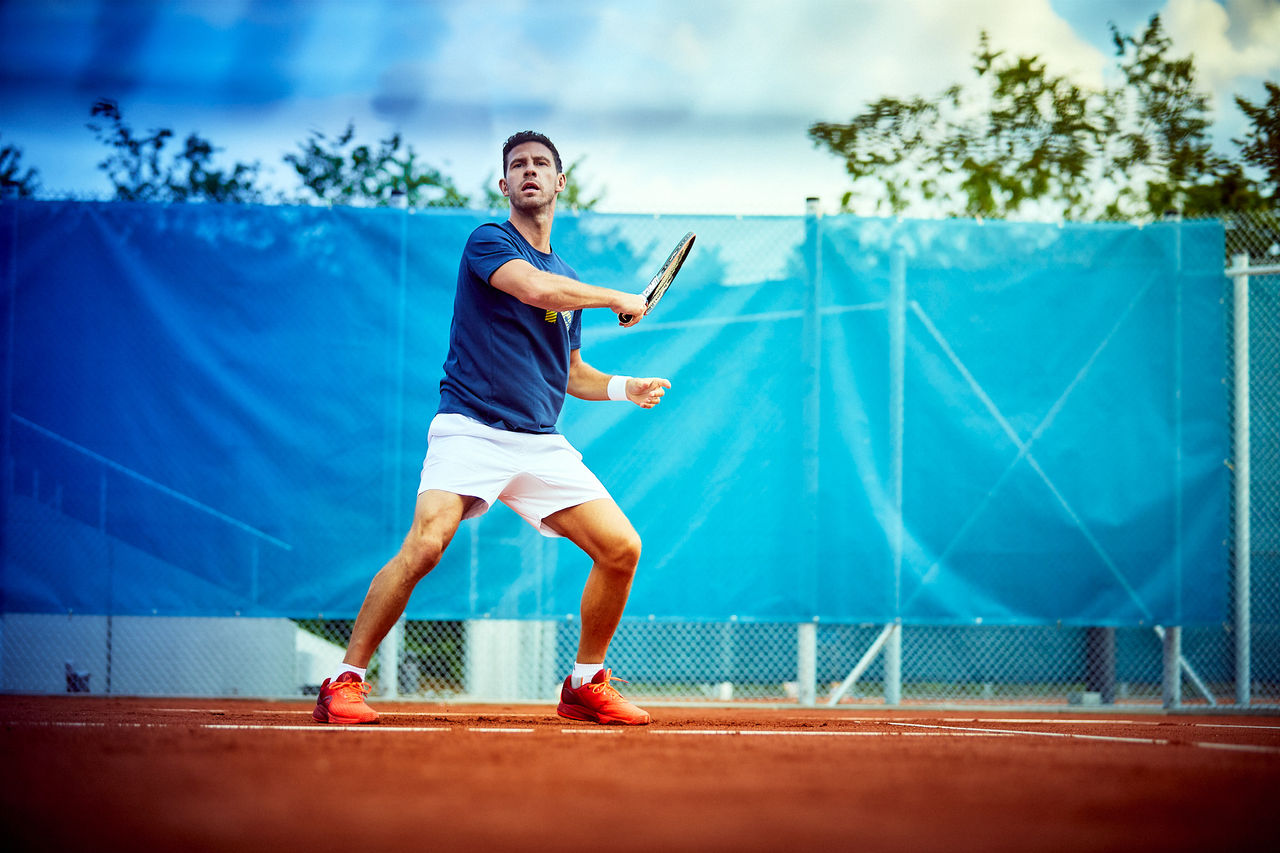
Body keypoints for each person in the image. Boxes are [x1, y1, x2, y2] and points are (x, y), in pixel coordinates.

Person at [312, 131, 669, 727]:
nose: (530, 171)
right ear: (505, 186)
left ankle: (584, 684)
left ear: (560, 182)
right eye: (518, 166)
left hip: (537, 440)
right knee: (426, 545)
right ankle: (343, 682)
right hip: (470, 427)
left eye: (541, 164)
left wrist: (621, 388)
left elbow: (572, 371)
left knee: (621, 548)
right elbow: (533, 288)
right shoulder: (490, 242)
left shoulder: (568, 278)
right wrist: (617, 297)